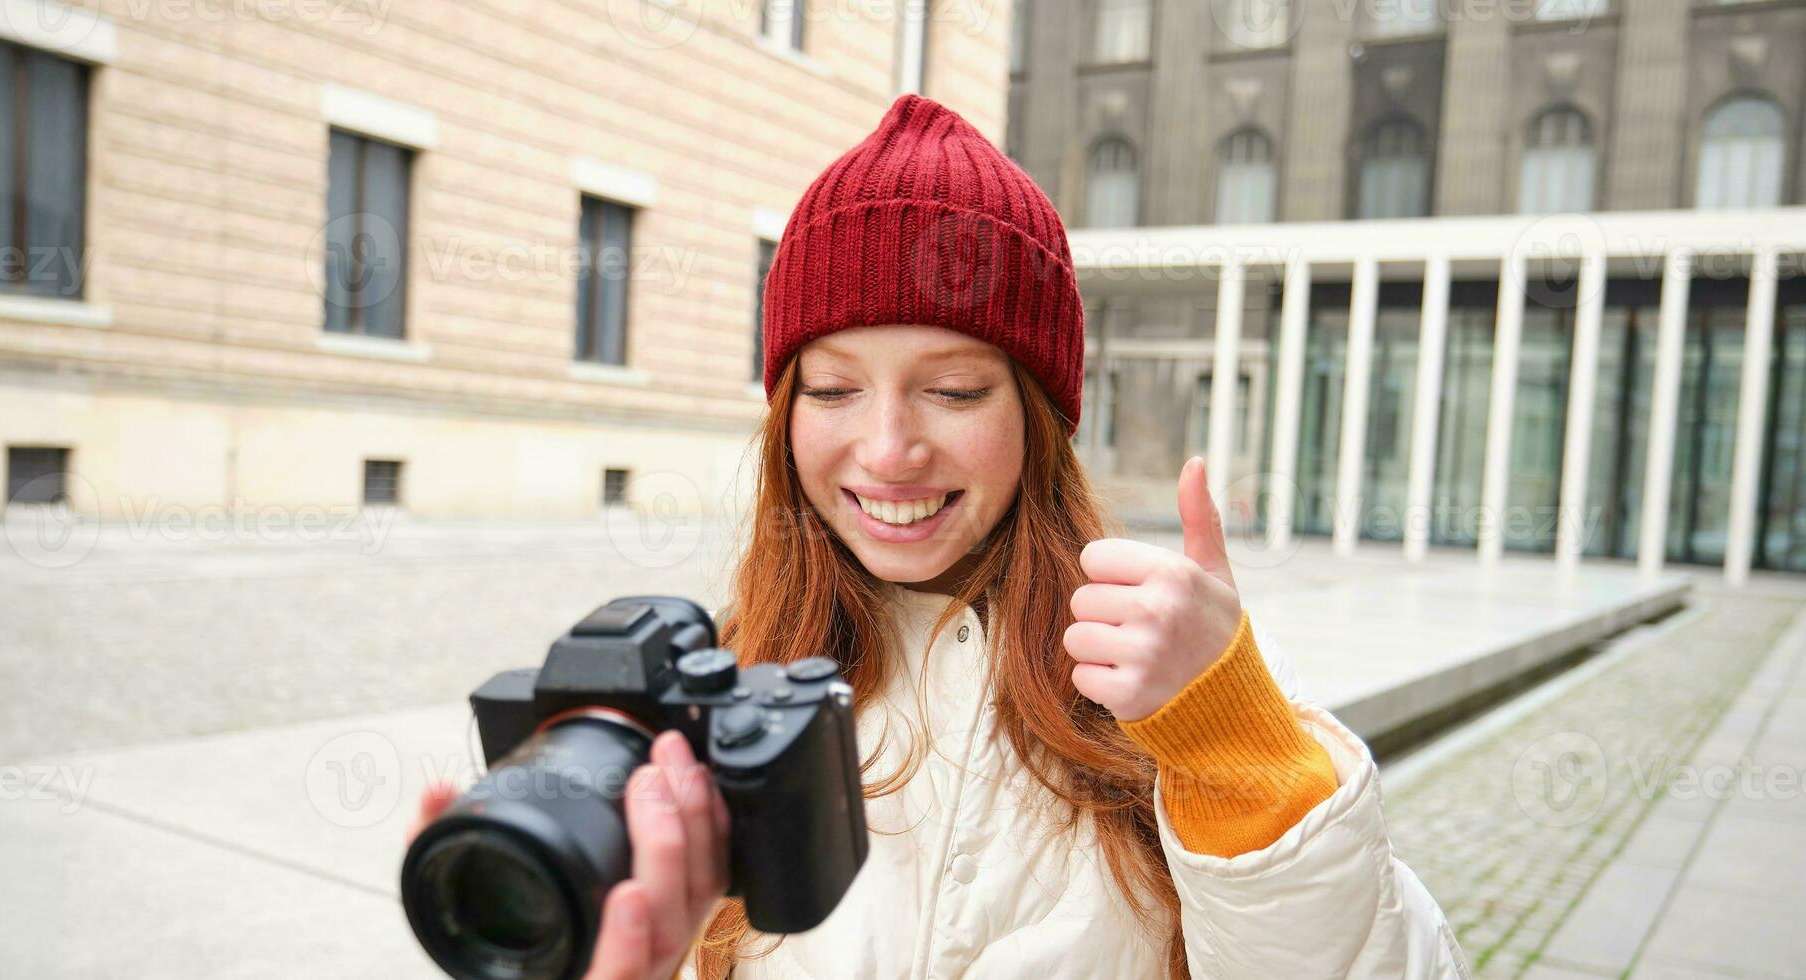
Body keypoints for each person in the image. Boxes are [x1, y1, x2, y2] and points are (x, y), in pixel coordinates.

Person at [416, 94, 1466, 980]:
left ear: (1039, 415)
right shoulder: (725, 687)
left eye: (953, 388)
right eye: (830, 388)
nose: (886, 448)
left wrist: (1234, 748)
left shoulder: (1166, 683)